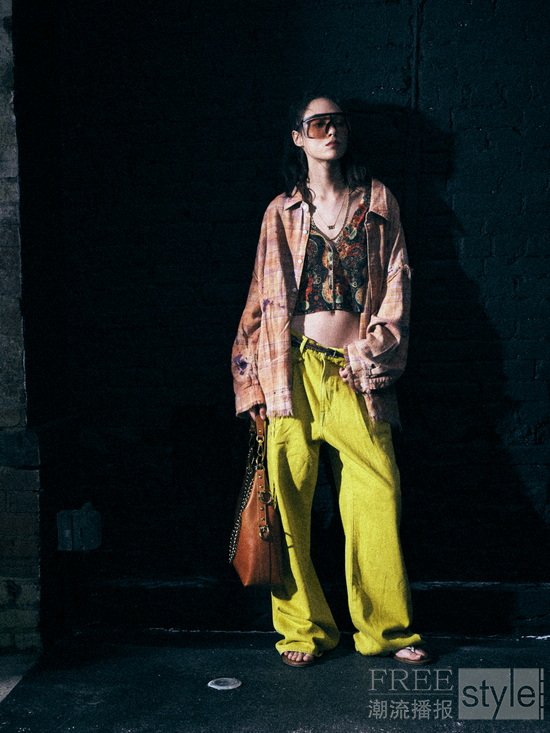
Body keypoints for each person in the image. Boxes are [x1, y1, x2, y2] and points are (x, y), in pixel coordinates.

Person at [231, 94, 429, 667]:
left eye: (337, 122)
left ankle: (387, 631)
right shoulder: (280, 212)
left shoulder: (377, 201)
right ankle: (303, 631)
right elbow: (260, 298)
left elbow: (397, 283)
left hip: (354, 370)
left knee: (377, 495)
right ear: (298, 137)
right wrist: (250, 383)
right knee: (286, 502)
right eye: (317, 124)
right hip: (289, 368)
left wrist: (374, 350)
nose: (330, 131)